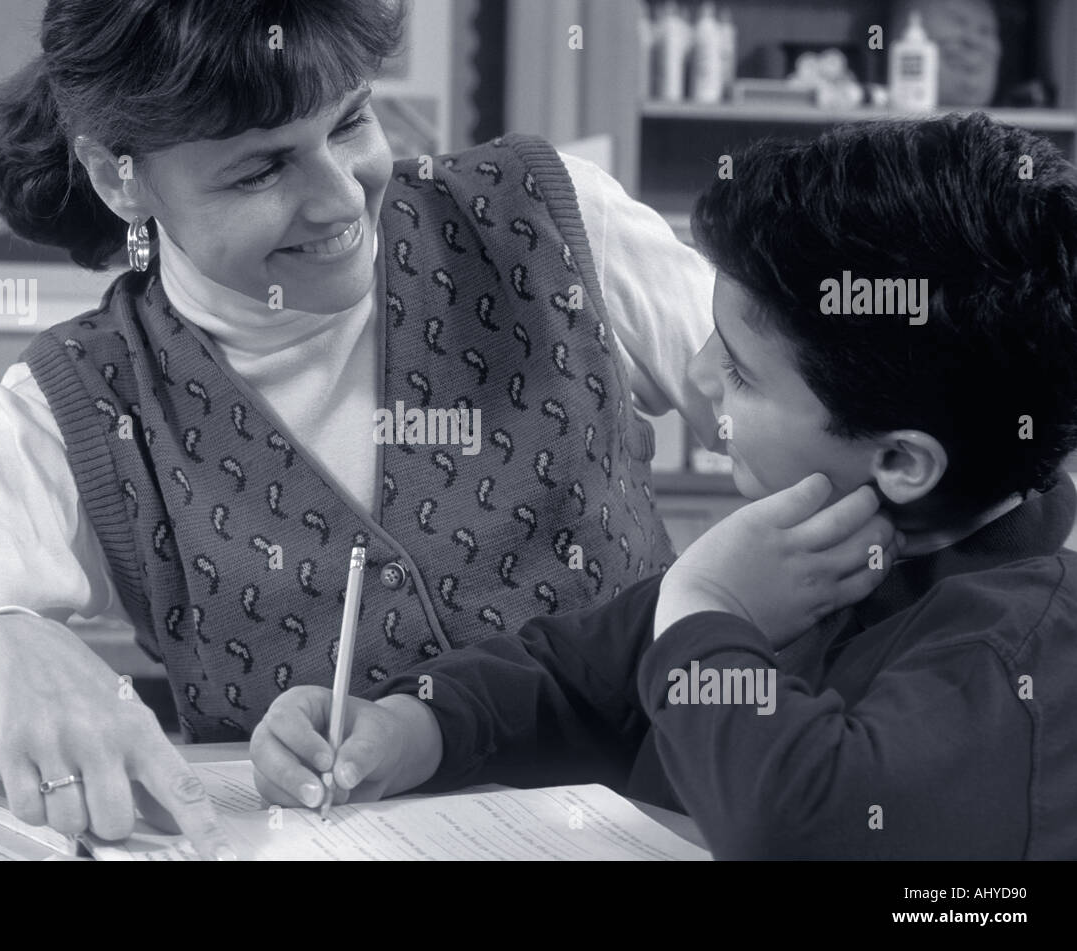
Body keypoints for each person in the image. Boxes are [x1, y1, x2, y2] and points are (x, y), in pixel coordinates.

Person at [0, 0, 717, 854]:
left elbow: (825, 413)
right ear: (120, 182)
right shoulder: (75, 403)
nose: (340, 198)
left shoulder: (555, 222)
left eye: (350, 120)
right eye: (261, 167)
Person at [249, 113, 1077, 859]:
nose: (696, 374)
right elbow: (574, 675)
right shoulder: (823, 543)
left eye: (743, 374)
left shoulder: (1016, 654)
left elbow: (797, 821)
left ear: (901, 462)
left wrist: (711, 604)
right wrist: (414, 724)